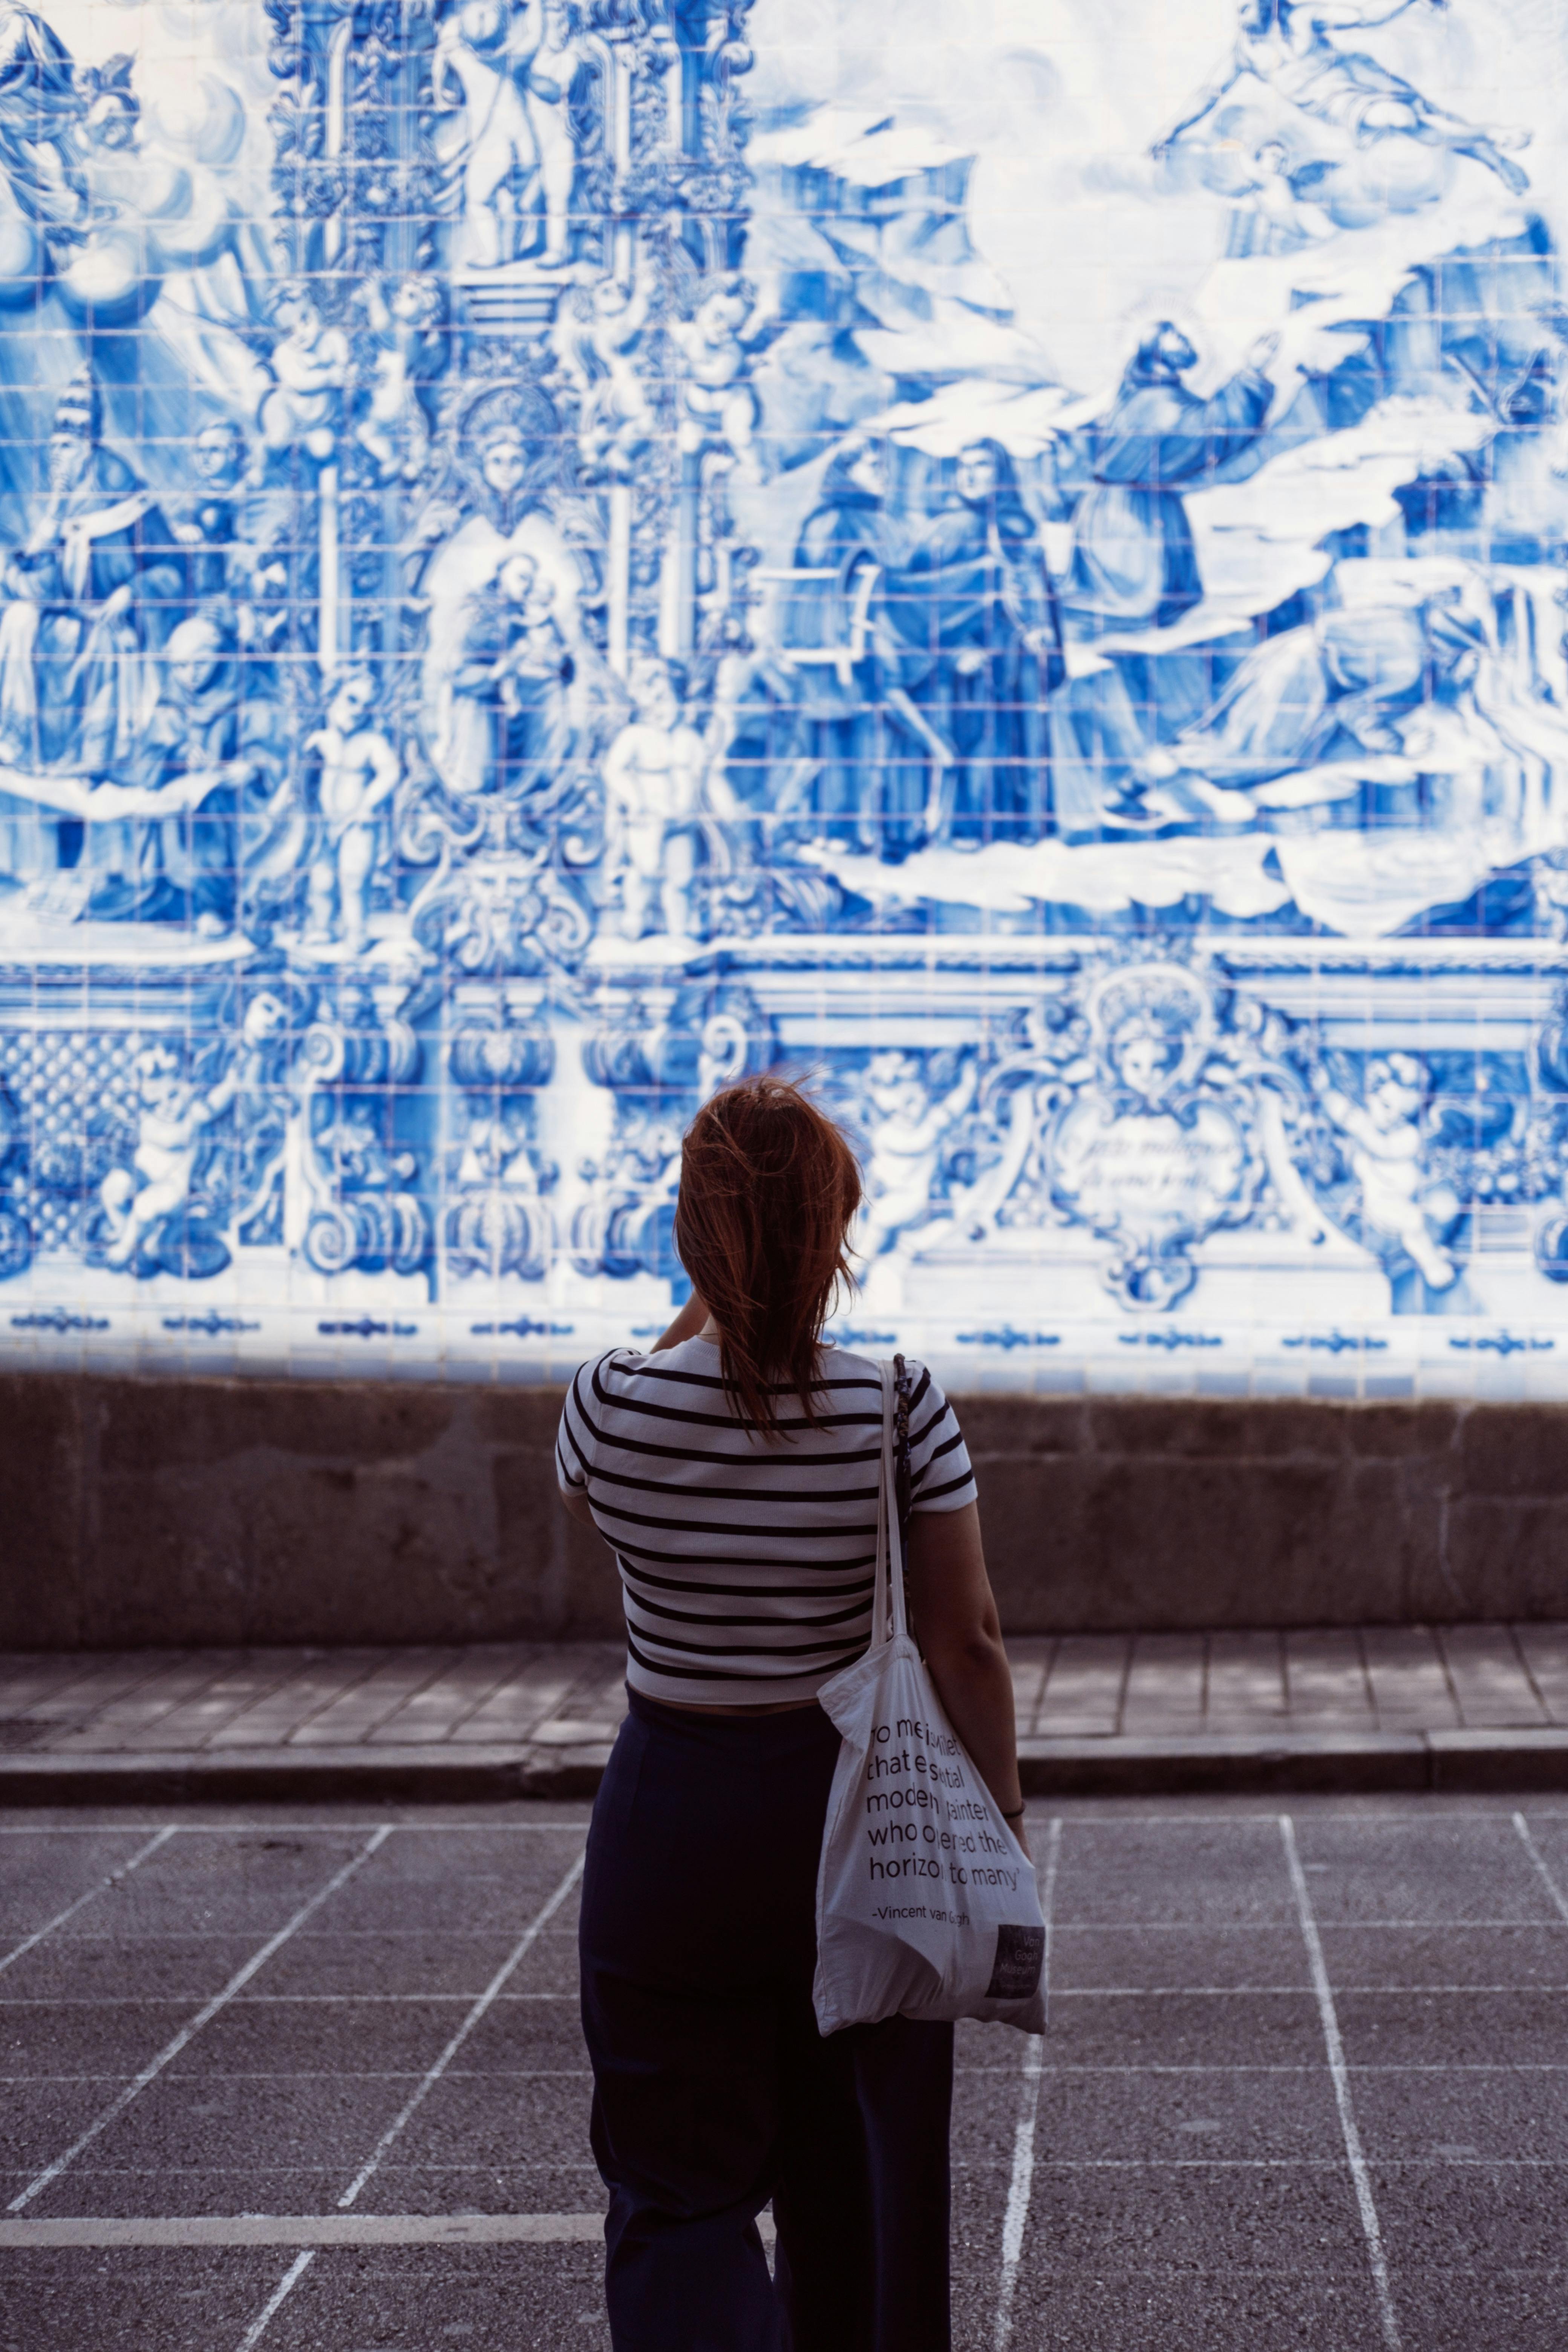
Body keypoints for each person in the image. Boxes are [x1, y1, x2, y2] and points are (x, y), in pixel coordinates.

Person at [557, 1075, 1027, 2352]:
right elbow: (965, 1642)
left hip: (669, 1812)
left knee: (677, 2187)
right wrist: (1006, 1819)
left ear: (688, 1234)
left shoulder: (608, 1406)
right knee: (856, 2188)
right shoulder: (895, 1405)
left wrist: (718, 1288)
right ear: (837, 1233)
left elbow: (675, 1370)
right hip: (855, 1815)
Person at [1066, 323, 1277, 635]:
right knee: (1140, 603)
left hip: (1144, 505)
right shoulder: (1156, 403)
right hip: (1124, 518)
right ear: (1155, 350)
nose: (1185, 339)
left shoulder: (1155, 393)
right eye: (1173, 334)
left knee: (1170, 601)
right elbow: (1210, 429)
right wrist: (1250, 374)